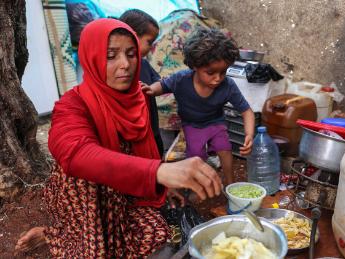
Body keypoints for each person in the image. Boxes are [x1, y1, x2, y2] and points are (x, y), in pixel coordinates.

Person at [15, 18, 222, 257]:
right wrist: (157, 172)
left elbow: (148, 147)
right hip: (87, 200)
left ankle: (71, 233)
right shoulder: (73, 104)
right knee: (95, 247)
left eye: (131, 54)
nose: (125, 64)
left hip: (124, 191)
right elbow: (75, 153)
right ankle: (58, 232)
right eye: (110, 55)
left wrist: (160, 181)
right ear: (91, 57)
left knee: (158, 234)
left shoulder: (140, 95)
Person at [142, 28, 255, 185]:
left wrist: (249, 134)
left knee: (224, 148)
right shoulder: (181, 79)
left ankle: (230, 183)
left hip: (216, 122)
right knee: (196, 156)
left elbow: (246, 111)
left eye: (223, 72)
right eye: (210, 73)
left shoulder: (228, 85)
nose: (217, 78)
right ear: (195, 66)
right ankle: (197, 184)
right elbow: (162, 86)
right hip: (192, 125)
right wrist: (151, 90)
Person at [119, 9, 164, 157]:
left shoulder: (143, 64)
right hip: (136, 135)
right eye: (149, 42)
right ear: (131, 36)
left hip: (153, 128)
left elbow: (159, 82)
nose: (151, 48)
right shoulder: (120, 71)